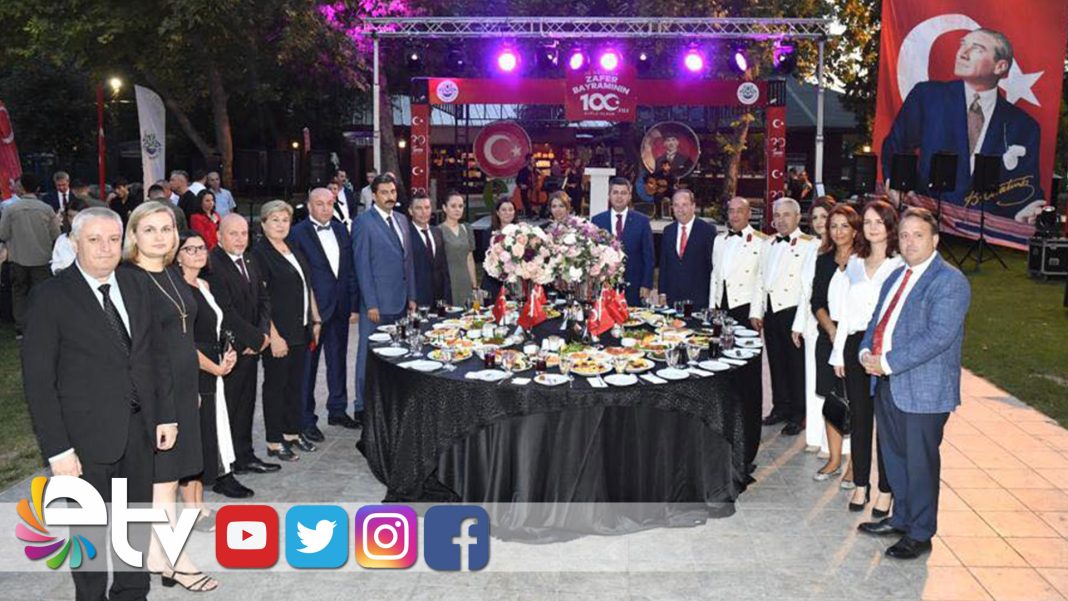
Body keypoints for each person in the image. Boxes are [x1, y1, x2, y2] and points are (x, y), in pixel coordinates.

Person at [22, 207, 176, 601]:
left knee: (133, 526)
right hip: (83, 440)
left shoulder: (136, 283)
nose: (105, 248)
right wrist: (58, 450)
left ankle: (132, 593)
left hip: (139, 431)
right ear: (74, 243)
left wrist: (165, 415)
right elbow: (39, 382)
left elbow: (155, 354)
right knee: (88, 536)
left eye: (113, 239)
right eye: (94, 240)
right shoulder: (50, 297)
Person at [856, 207, 971, 560]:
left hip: (924, 391)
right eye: (904, 235)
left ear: (935, 239)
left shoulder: (949, 281)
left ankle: (920, 533)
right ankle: (901, 518)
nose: (909, 242)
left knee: (920, 465)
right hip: (888, 384)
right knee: (894, 459)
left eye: (918, 235)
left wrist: (886, 362)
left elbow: (937, 336)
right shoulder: (896, 275)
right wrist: (865, 351)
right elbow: (877, 322)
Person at [121, 201, 216, 591]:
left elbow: (182, 335)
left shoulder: (172, 273)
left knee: (170, 477)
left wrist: (189, 390)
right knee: (162, 479)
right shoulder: (129, 280)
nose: (160, 236)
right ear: (133, 235)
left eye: (166, 228)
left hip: (182, 388)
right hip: (154, 395)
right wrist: (163, 408)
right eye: (150, 229)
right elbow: (141, 352)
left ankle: (159, 557)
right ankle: (175, 559)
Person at [882, 28, 1043, 222]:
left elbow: (1025, 187)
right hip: (926, 220)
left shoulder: (1025, 126)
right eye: (963, 45)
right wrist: (896, 183)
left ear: (1000, 66)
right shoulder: (927, 97)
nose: (962, 53)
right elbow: (896, 146)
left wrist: (1026, 211)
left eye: (977, 48)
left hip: (985, 231)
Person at [832, 200, 903, 515]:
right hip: (854, 346)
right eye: (868, 222)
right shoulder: (855, 262)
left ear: (891, 226)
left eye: (879, 222)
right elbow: (845, 312)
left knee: (886, 425)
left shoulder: (900, 265)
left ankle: (886, 490)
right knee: (860, 420)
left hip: (885, 350)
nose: (873, 228)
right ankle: (861, 484)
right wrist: (839, 353)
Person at [176, 231, 253, 500]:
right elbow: (183, 341)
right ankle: (195, 502)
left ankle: (203, 495)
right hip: (195, 368)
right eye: (190, 249)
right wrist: (215, 367)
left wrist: (228, 351)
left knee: (213, 428)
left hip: (214, 364)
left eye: (201, 248)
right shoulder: (177, 290)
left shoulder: (204, 285)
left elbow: (216, 326)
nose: (198, 253)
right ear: (177, 256)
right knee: (197, 435)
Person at [207, 214, 281, 475]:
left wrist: (262, 335)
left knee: (246, 405)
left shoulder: (249, 259)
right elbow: (224, 311)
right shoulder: (212, 264)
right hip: (230, 350)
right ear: (219, 236)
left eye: (244, 233)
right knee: (228, 407)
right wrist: (253, 340)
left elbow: (264, 299)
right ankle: (224, 465)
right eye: (233, 234)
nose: (240, 239)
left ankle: (244, 456)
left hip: (252, 347)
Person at [794, 203, 859, 485]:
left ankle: (855, 465)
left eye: (845, 226)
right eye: (834, 226)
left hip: (855, 336)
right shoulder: (824, 259)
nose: (839, 231)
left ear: (855, 230)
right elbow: (816, 300)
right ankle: (834, 459)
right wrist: (831, 330)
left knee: (856, 402)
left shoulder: (864, 260)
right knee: (831, 399)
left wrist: (843, 333)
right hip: (828, 335)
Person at [288, 188, 359, 439]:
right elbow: (297, 276)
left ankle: (337, 409)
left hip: (340, 307)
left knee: (338, 359)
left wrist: (353, 305)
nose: (326, 208)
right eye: (319, 204)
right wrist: (308, 311)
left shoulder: (340, 229)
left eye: (329, 203)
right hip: (313, 311)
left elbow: (349, 270)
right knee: (309, 366)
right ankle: (306, 419)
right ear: (309, 206)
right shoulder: (297, 233)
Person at [253, 201, 322, 460]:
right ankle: (274, 440)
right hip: (279, 333)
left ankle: (292, 433)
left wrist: (316, 320)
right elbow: (260, 300)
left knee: (295, 385)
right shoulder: (260, 254)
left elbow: (307, 284)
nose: (281, 225)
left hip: (301, 329)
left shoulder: (292, 247)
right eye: (275, 220)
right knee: (276, 387)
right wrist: (273, 336)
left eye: (285, 220)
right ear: (263, 224)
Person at [353, 174, 416, 427]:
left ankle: (390, 403)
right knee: (368, 356)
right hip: (376, 305)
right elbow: (362, 266)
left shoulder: (401, 219)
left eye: (393, 191)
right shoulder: (363, 223)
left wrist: (412, 296)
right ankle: (361, 406)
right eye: (384, 192)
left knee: (397, 353)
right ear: (374, 195)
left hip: (401, 302)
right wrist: (371, 303)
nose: (390, 196)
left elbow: (408, 263)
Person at [709, 196, 767, 470]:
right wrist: (712, 308)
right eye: (730, 211)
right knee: (724, 371)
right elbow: (715, 276)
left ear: (749, 213)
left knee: (748, 376)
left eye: (739, 211)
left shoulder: (761, 242)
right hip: (722, 309)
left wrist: (757, 313)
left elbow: (761, 281)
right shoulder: (720, 240)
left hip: (746, 311)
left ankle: (749, 439)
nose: (734, 215)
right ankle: (726, 429)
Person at [754, 197, 819, 436]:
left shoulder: (810, 244)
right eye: (777, 215)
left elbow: (808, 287)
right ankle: (780, 406)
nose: (781, 220)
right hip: (771, 310)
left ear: (798, 217)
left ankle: (799, 413)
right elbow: (761, 278)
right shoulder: (768, 243)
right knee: (776, 362)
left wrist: (800, 322)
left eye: (786, 215)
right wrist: (756, 311)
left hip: (793, 311)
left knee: (795, 365)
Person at [789, 197, 841, 457]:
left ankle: (831, 442)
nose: (820, 222)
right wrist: (798, 325)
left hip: (830, 323)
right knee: (813, 382)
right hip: (810, 323)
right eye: (816, 217)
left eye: (825, 217)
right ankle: (814, 435)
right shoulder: (812, 248)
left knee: (830, 385)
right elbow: (805, 291)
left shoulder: (841, 249)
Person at [0, 173, 60, 338]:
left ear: (21, 188)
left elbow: (3, 233)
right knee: (41, 293)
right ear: (38, 188)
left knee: (19, 293)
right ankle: (41, 324)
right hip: (42, 259)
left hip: (18, 258)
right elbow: (56, 234)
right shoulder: (46, 209)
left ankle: (21, 327)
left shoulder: (10, 209)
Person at [592, 178, 655, 306]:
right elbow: (592, 254)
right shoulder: (597, 221)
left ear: (629, 196)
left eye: (623, 193)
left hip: (634, 285)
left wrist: (646, 284)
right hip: (604, 285)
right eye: (615, 192)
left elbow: (649, 256)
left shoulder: (642, 221)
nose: (619, 197)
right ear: (609, 195)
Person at [658, 189, 715, 308]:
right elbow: (664, 264)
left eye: (684, 205)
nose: (680, 209)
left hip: (699, 299)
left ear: (693, 206)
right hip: (673, 298)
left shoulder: (707, 231)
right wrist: (662, 292)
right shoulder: (668, 231)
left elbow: (712, 266)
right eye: (676, 205)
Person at [409, 193, 451, 307]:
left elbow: (444, 268)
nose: (424, 212)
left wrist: (447, 299)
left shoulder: (437, 232)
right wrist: (410, 298)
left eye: (427, 207)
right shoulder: (406, 234)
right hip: (417, 300)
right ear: (411, 211)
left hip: (439, 300)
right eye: (419, 208)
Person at [440, 190, 479, 307]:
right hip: (449, 282)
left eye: (460, 206)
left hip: (465, 281)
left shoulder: (466, 229)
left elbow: (470, 259)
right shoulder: (438, 231)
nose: (457, 209)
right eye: (453, 206)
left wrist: (474, 285)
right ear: (444, 208)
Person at [481, 198, 518, 301]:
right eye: (504, 210)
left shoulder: (521, 233)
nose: (507, 213)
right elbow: (486, 259)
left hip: (515, 284)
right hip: (493, 282)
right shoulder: (488, 233)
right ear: (497, 212)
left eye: (510, 209)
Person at [51, 196, 90, 274]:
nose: (73, 220)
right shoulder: (62, 239)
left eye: (78, 217)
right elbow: (56, 263)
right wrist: (58, 270)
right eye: (70, 217)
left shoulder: (96, 239)